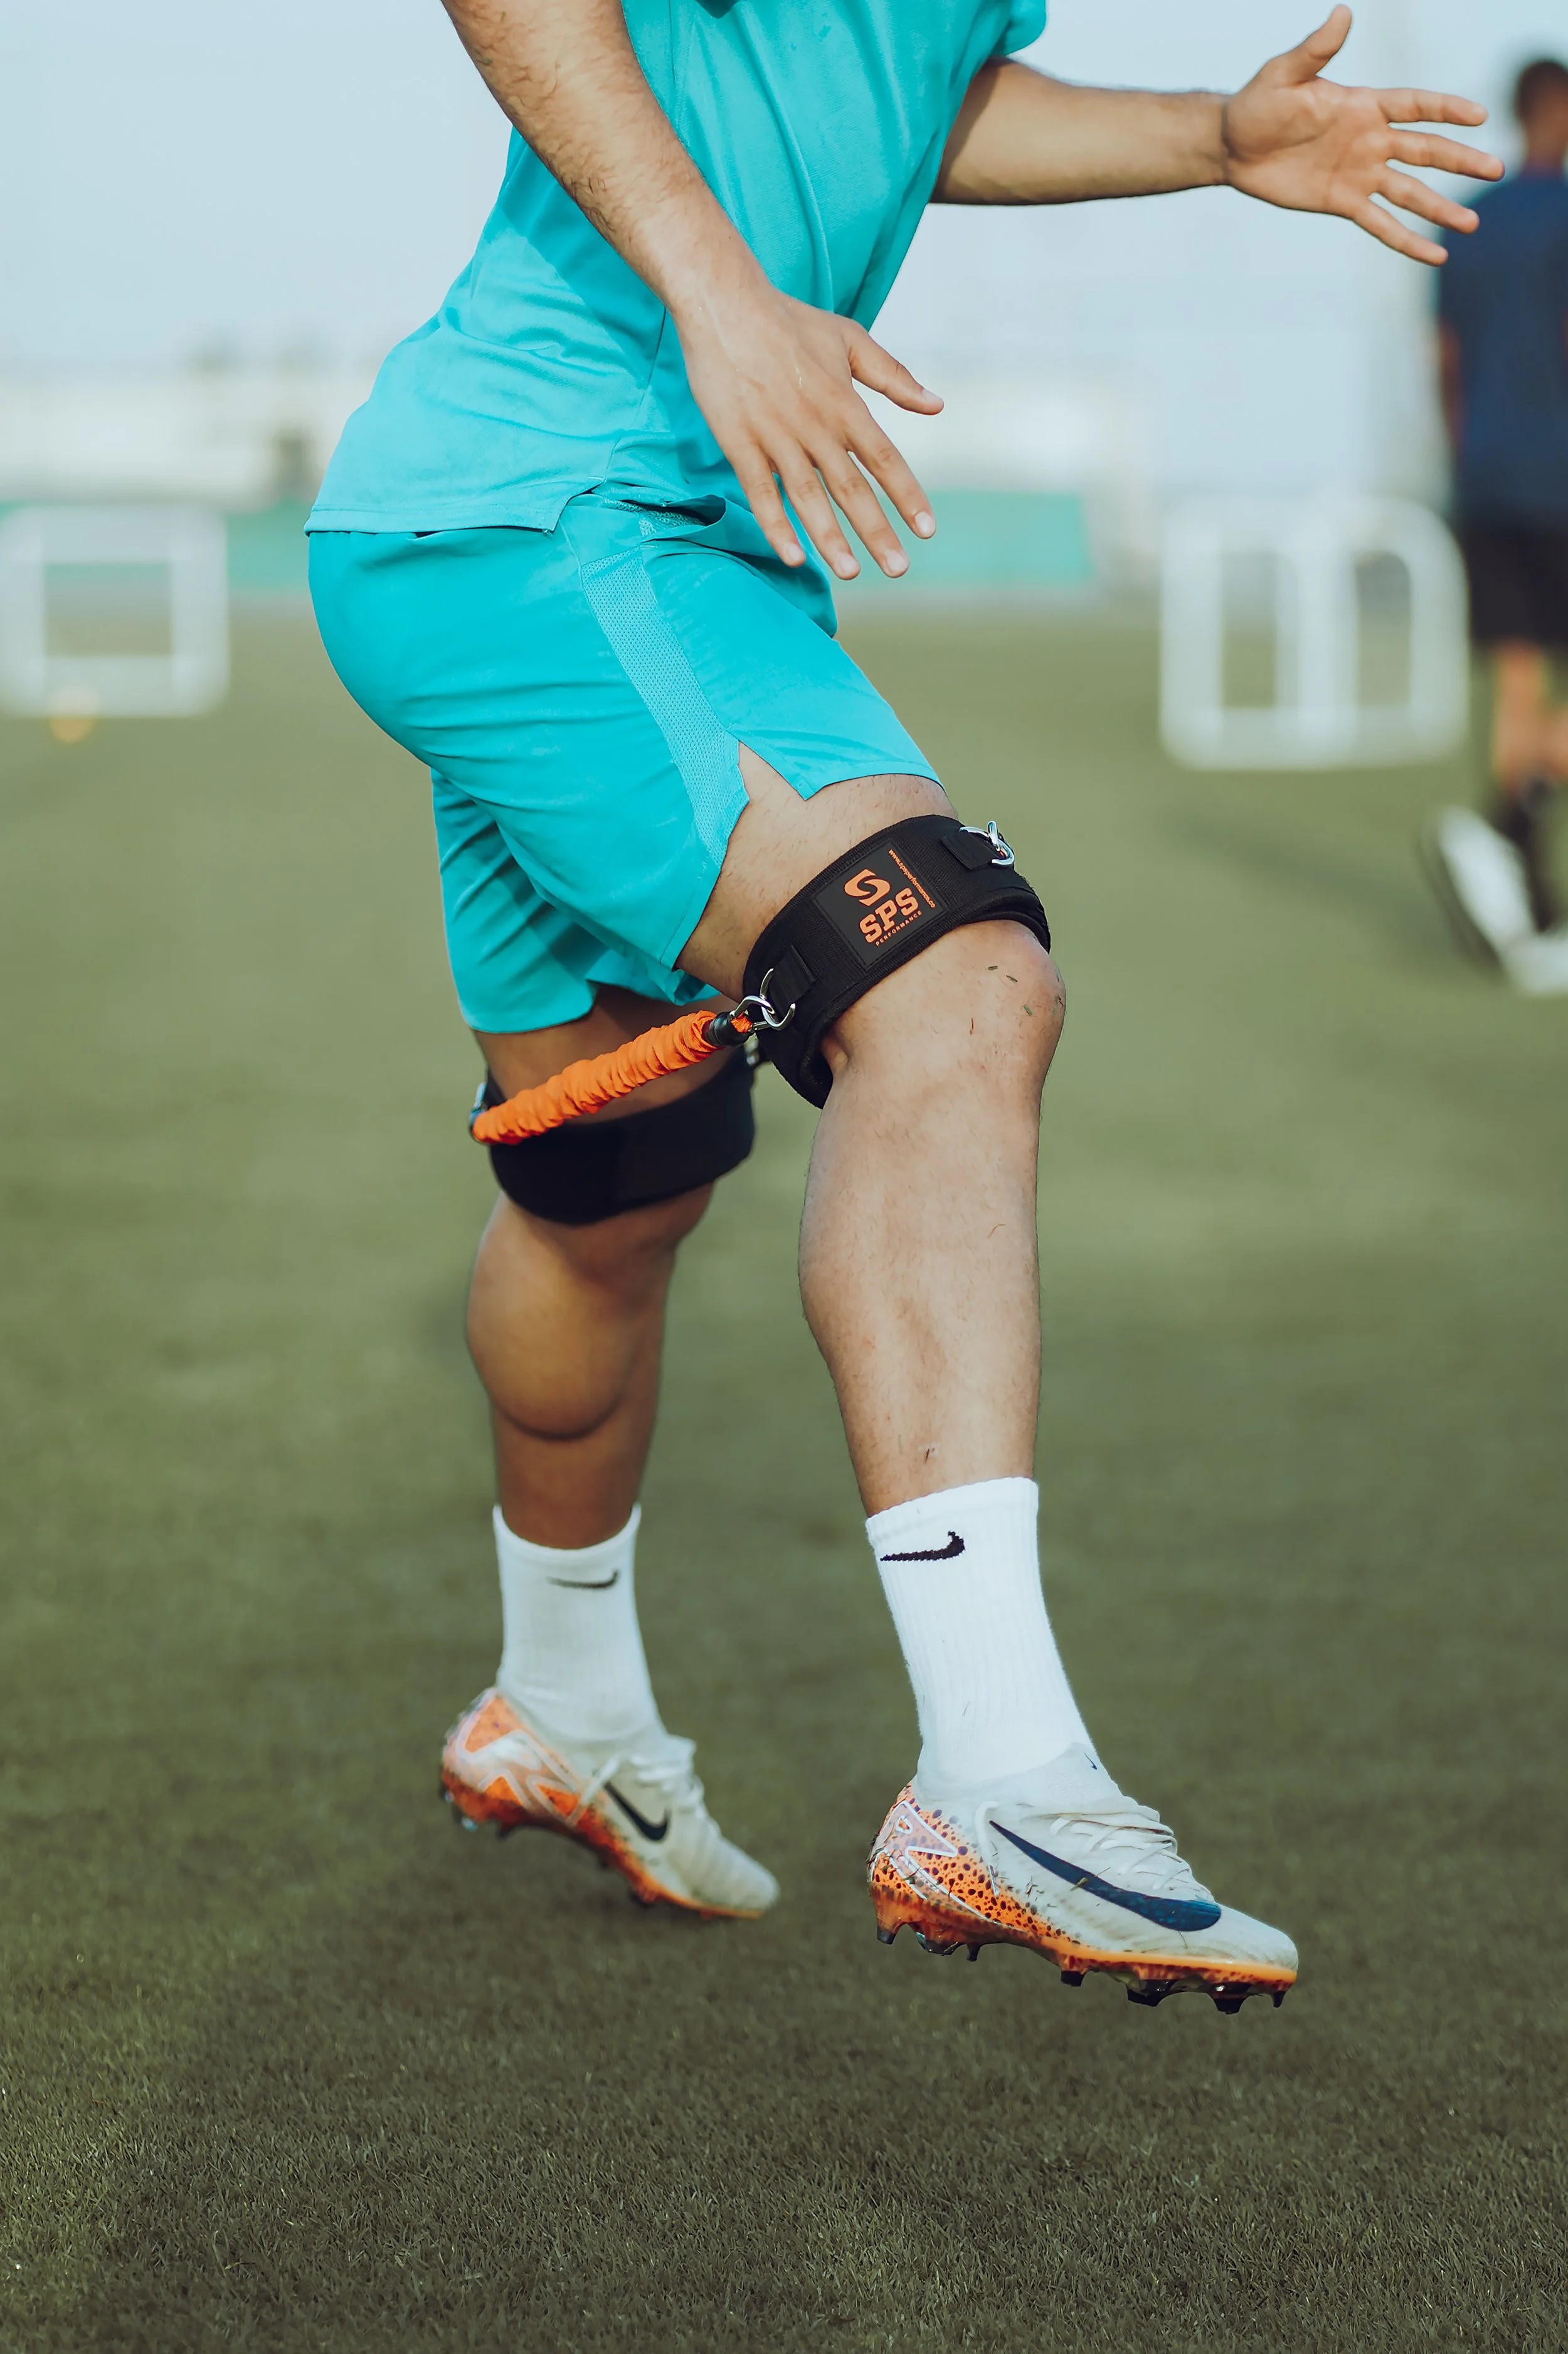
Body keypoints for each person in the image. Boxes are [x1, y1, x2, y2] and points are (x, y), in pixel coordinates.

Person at [307, 4, 1496, 2008]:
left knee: (613, 1186)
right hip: (553, 516)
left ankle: (562, 1703)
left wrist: (1213, 134)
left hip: (591, 539)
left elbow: (914, 100)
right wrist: (715, 288)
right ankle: (1004, 1776)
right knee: (948, 986)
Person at [1426, 58, 1568, 996]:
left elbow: (1444, 360)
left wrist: (1465, 458)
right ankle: (1499, 830)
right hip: (1561, 476)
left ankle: (1525, 902)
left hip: (1487, 479)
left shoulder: (1469, 220)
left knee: (1520, 689)